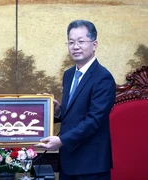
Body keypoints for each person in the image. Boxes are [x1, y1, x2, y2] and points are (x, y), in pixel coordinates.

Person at [35, 20, 116, 180]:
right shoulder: (69, 75)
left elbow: (93, 121)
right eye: (71, 42)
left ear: (94, 44)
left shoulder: (103, 78)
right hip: (68, 161)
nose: (75, 46)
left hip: (91, 165)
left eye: (81, 41)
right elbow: (75, 113)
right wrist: (59, 112)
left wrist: (61, 140)